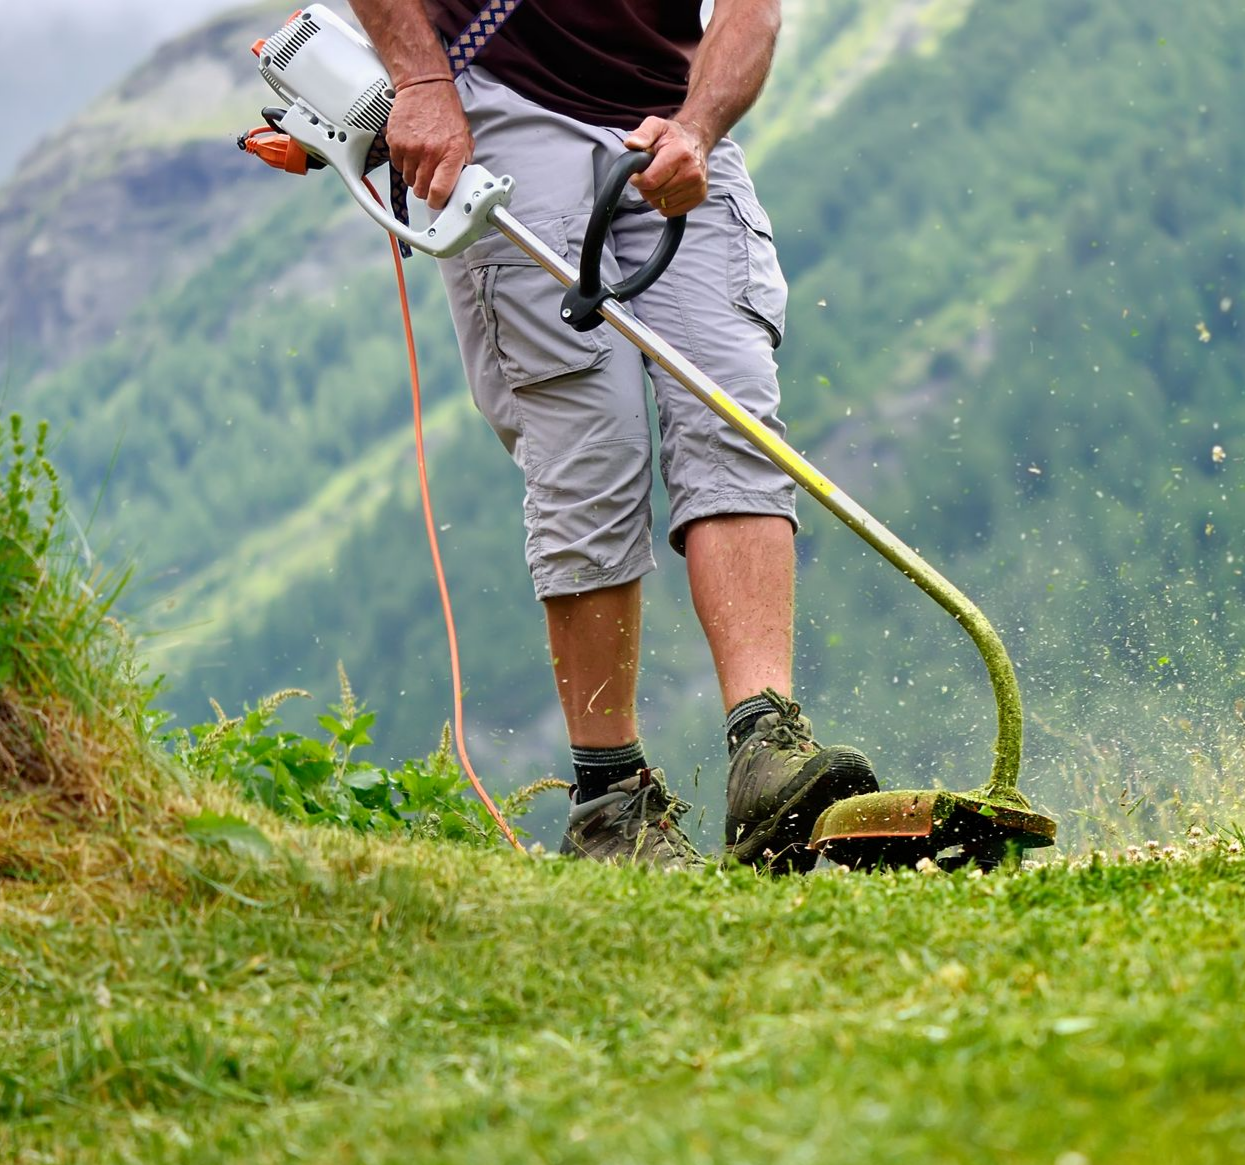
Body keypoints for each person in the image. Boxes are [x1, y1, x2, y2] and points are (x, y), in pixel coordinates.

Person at [351, 0, 878, 869]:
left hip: (663, 116)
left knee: (732, 409)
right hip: (499, 105)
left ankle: (765, 750)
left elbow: (751, 12)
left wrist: (698, 130)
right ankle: (611, 806)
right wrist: (420, 81)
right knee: (588, 441)